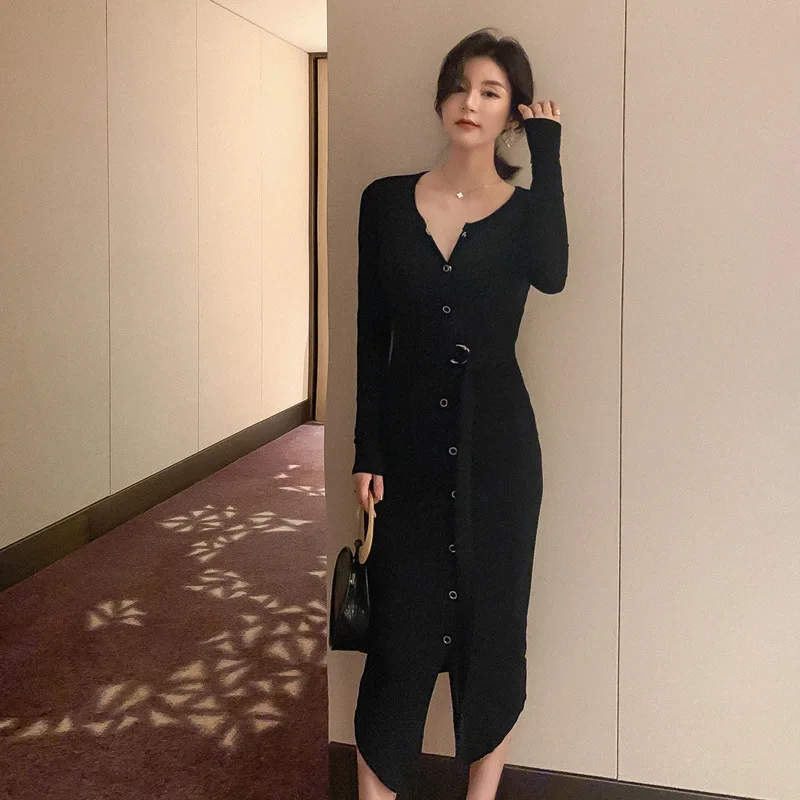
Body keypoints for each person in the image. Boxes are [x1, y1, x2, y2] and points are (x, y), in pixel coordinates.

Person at [350, 27, 568, 800]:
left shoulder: (525, 212)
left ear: (511, 113)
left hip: (499, 452)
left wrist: (549, 152)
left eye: (490, 91)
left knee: (493, 631)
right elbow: (371, 331)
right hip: (406, 447)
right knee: (399, 638)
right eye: (459, 85)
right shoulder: (384, 201)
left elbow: (553, 274)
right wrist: (366, 450)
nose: (468, 101)